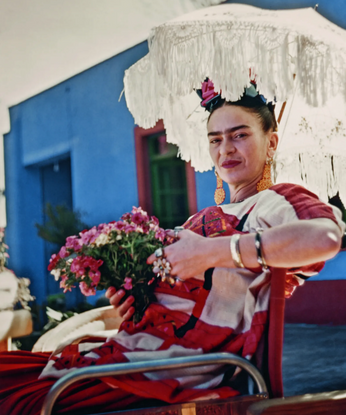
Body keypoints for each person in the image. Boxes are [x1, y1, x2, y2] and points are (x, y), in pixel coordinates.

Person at [0, 79, 344, 415]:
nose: (225, 149)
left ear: (271, 143)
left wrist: (211, 252)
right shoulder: (202, 218)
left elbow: (325, 238)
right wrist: (139, 301)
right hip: (140, 350)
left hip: (178, 369)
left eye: (240, 135)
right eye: (216, 139)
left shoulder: (277, 200)